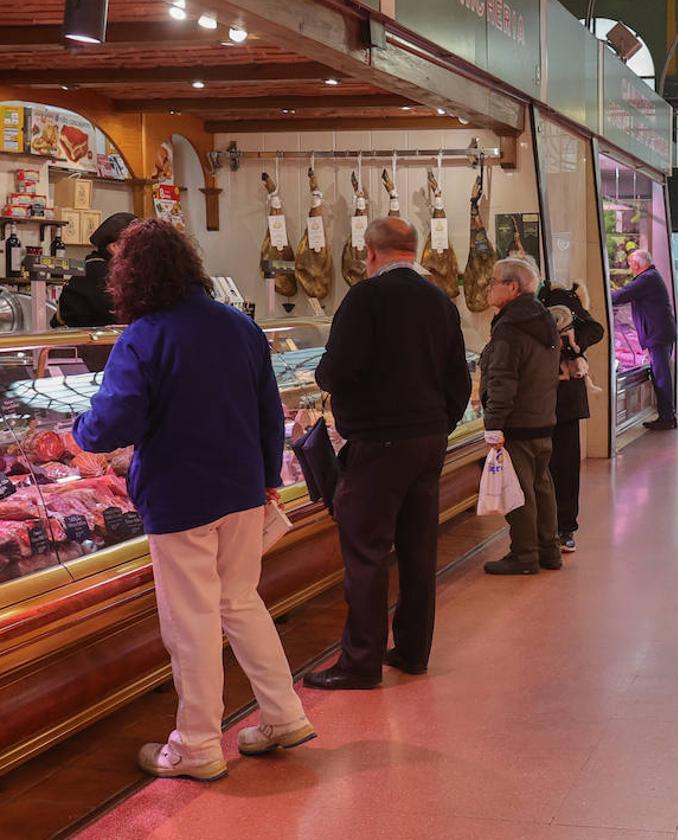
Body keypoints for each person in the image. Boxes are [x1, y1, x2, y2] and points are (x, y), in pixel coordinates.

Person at [73, 219, 313, 781]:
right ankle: (283, 714)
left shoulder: (143, 335)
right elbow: (268, 410)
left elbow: (114, 422)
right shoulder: (238, 326)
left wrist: (81, 430)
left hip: (180, 495)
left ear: (130, 276)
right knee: (241, 602)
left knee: (192, 622)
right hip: (241, 488)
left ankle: (198, 745)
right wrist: (265, 478)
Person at [305, 217, 470, 690]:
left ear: (369, 251)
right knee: (419, 551)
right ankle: (414, 651)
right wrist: (439, 425)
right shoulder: (439, 300)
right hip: (427, 442)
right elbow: (457, 378)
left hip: (377, 444)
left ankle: (360, 663)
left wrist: (327, 382)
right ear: (414, 251)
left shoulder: (366, 297)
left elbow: (336, 369)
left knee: (366, 554)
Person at [479, 258, 563, 575]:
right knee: (542, 486)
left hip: (517, 422)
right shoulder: (544, 321)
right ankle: (549, 550)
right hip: (542, 419)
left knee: (519, 492)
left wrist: (494, 424)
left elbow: (502, 380)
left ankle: (524, 555)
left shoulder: (510, 328)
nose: (489, 287)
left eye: (493, 281)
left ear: (512, 287)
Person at [539, 281, 605, 553]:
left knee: (563, 465)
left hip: (564, 399)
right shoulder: (530, 303)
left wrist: (573, 346)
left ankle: (564, 527)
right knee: (543, 468)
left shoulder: (561, 300)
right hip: (538, 399)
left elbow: (594, 330)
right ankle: (545, 526)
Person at [612, 250, 677, 431]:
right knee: (661, 375)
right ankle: (667, 415)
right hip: (660, 333)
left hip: (657, 335)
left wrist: (604, 297)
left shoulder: (647, 278)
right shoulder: (651, 277)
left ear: (638, 264)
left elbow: (623, 295)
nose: (630, 267)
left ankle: (667, 417)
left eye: (631, 263)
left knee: (661, 376)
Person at [53, 211, 134, 328]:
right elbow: (122, 317)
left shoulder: (92, 267)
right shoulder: (102, 274)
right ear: (115, 247)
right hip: (86, 342)